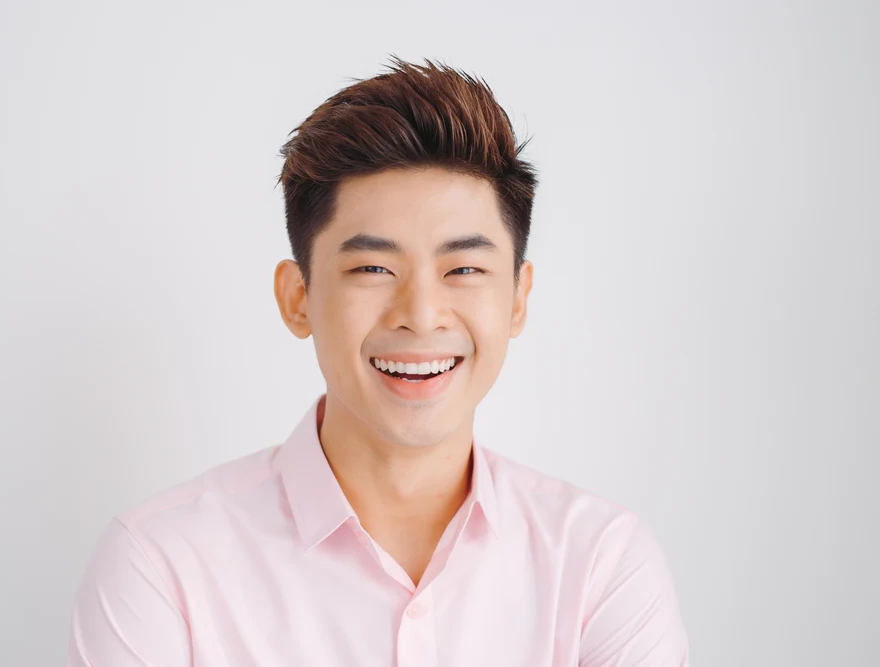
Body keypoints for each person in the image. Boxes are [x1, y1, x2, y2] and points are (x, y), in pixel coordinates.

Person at [68, 56, 690, 666]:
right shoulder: (162, 567)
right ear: (298, 297)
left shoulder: (599, 564)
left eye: (464, 269)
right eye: (373, 268)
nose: (420, 314)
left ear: (518, 299)